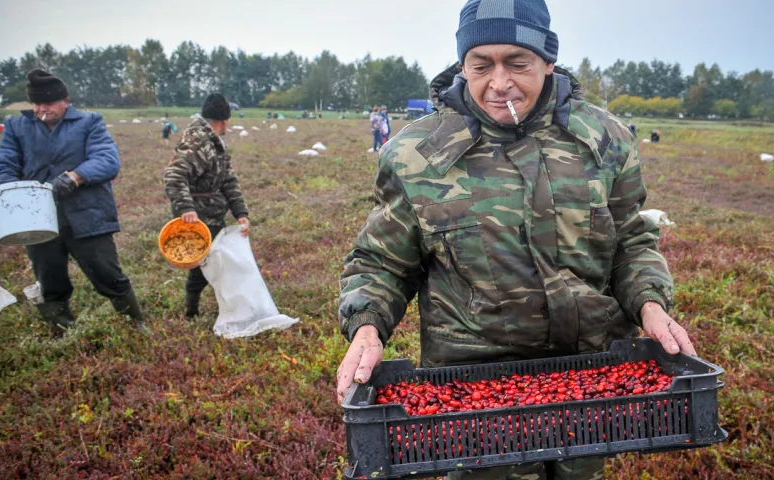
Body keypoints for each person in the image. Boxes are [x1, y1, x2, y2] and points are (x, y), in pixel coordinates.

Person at [336, 1, 695, 478]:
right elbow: (382, 262)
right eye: (481, 65)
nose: (499, 83)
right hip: (472, 389)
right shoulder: (416, 154)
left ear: (548, 61)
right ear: (462, 66)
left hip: (586, 378)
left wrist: (650, 303)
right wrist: (366, 325)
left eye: (517, 63)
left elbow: (630, 241)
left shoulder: (604, 139)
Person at [0, 69, 148, 337]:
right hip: (38, 219)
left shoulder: (89, 122)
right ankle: (64, 334)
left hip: (87, 215)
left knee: (108, 274)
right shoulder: (17, 127)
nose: (43, 109)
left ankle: (136, 325)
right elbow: (4, 164)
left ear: (65, 100)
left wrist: (76, 176)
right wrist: (15, 189)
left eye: (49, 104)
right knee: (50, 281)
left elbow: (107, 159)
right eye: (38, 104)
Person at [163, 93, 251, 319]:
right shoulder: (198, 142)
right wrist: (186, 209)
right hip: (197, 218)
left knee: (213, 263)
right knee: (204, 265)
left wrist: (240, 212)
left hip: (213, 214)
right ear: (223, 120)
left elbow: (228, 180)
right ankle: (192, 313)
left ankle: (224, 308)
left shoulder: (216, 143)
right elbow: (174, 175)